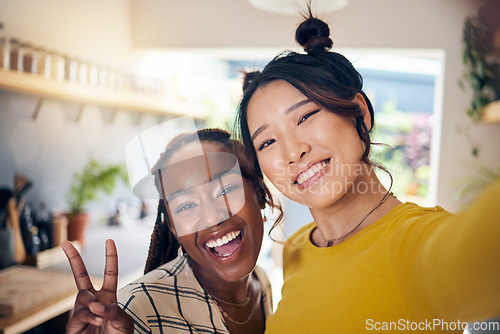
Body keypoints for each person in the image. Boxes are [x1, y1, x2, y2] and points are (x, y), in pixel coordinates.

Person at [235, 10, 500, 334]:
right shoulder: (296, 251)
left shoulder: (424, 242)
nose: (293, 152)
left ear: (359, 112)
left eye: (305, 117)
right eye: (267, 142)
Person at [62, 128, 281, 334]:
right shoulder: (134, 311)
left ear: (260, 195)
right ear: (174, 229)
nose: (212, 217)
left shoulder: (260, 281)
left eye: (225, 190)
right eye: (186, 206)